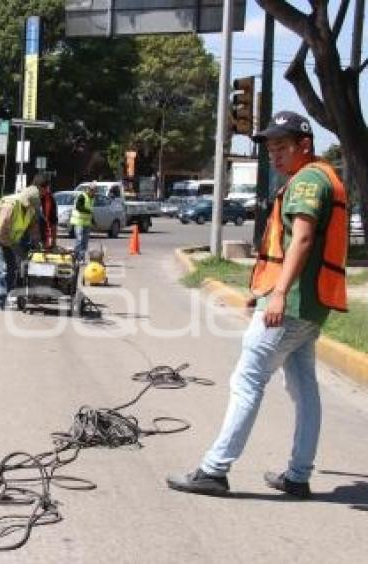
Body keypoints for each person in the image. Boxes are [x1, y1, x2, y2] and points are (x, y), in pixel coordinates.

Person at [167, 111, 349, 499]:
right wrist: (265, 288)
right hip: (311, 305)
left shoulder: (307, 182)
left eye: (281, 148)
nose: (274, 156)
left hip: (293, 302)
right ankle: (298, 476)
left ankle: (214, 471)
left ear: (304, 145)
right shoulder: (323, 178)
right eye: (270, 150)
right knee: (304, 389)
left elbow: (300, 240)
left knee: (247, 381)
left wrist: (279, 293)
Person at [0, 181, 41, 310]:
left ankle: (6, 295)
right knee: (0, 267)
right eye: (30, 205)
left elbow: (33, 227)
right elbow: (0, 231)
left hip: (9, 238)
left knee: (12, 267)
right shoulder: (10, 206)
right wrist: (15, 247)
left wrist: (38, 244)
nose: (31, 207)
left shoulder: (31, 208)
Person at [71, 184, 96, 262]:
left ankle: (81, 258)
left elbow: (90, 210)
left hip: (86, 223)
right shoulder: (82, 196)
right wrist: (88, 211)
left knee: (85, 242)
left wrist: (93, 220)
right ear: (88, 189)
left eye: (94, 191)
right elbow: (79, 207)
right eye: (91, 190)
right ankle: (76, 257)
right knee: (79, 240)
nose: (92, 192)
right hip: (78, 222)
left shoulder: (92, 198)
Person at [37, 176, 58, 249]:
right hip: (36, 234)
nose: (46, 190)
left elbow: (53, 220)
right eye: (45, 188)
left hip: (44, 234)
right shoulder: (34, 197)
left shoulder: (50, 198)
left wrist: (54, 241)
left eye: (47, 188)